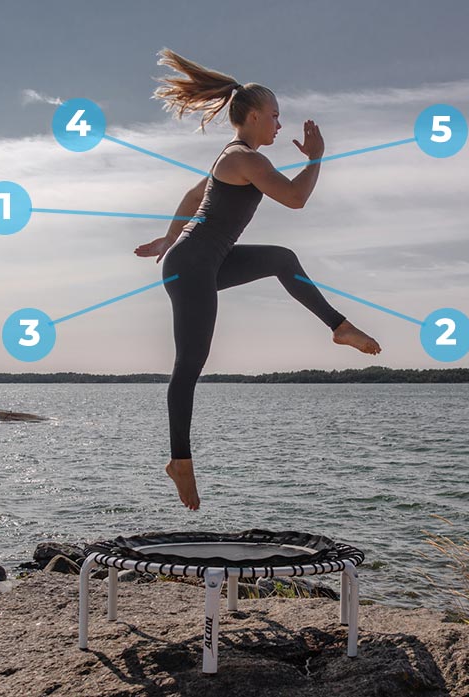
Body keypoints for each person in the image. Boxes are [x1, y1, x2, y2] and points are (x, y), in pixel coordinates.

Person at [134, 48, 382, 511]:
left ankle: (338, 327)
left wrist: (169, 238)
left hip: (200, 260)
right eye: (274, 116)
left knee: (281, 257)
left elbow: (192, 195)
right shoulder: (246, 158)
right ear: (251, 116)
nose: (279, 125)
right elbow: (294, 199)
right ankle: (180, 462)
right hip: (193, 265)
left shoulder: (232, 157)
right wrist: (317, 159)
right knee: (190, 364)